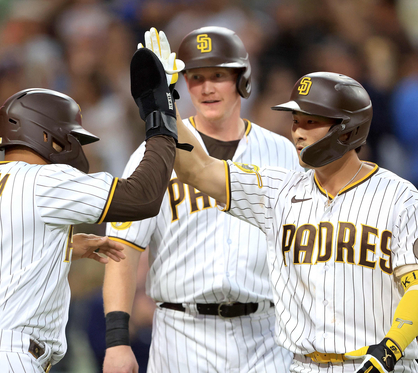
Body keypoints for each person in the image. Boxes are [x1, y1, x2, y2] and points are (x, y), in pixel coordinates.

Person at [172, 70, 418, 373]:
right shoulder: (279, 191)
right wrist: (162, 102)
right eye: (295, 121)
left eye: (311, 121)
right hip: (304, 366)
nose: (297, 132)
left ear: (347, 129)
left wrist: (390, 350)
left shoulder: (399, 197)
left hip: (382, 366)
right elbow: (196, 169)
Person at [0, 46, 183, 373]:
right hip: (6, 357)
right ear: (46, 134)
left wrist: (63, 247)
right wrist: (162, 122)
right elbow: (142, 197)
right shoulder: (41, 179)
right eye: (71, 136)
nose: (75, 146)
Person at [102, 26, 300, 373]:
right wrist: (117, 340)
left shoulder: (281, 151)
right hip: (182, 333)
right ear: (181, 82)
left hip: (267, 333)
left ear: (242, 79)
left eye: (218, 75)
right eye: (195, 77)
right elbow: (123, 248)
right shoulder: (152, 154)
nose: (206, 88)